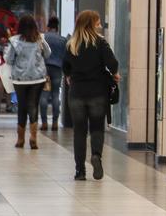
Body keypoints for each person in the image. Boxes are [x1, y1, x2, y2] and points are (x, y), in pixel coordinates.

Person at [62, 10, 119, 181]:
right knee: (96, 128)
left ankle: (80, 171)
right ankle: (96, 156)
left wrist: (70, 75)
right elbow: (113, 64)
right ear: (91, 24)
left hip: (77, 93)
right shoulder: (100, 43)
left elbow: (65, 68)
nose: (100, 25)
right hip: (97, 92)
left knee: (79, 131)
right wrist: (113, 74)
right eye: (98, 22)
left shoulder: (71, 44)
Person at [6, 16, 51, 149]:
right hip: (38, 78)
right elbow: (48, 54)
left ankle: (20, 139)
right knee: (33, 105)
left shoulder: (14, 41)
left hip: (20, 79)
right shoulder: (40, 39)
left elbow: (9, 60)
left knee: (22, 107)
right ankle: (33, 138)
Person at [40, 17, 68, 130]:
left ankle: (44, 123)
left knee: (44, 95)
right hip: (57, 69)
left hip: (44, 68)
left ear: (48, 26)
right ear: (57, 27)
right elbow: (66, 57)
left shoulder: (43, 37)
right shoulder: (63, 39)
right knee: (56, 95)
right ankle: (55, 122)